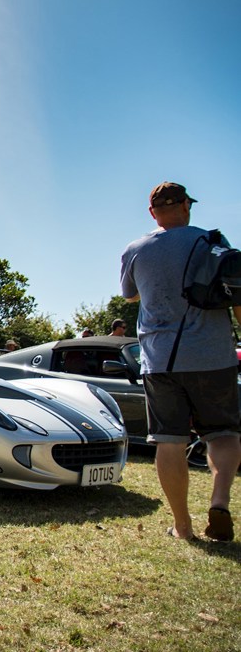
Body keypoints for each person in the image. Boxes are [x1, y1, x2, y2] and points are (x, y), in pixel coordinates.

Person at [121, 182, 241, 541]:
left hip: (160, 360)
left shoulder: (136, 249)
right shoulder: (212, 243)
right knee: (223, 433)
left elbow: (130, 296)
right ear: (187, 206)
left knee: (168, 440)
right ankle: (219, 500)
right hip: (213, 356)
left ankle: (183, 526)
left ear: (152, 212)